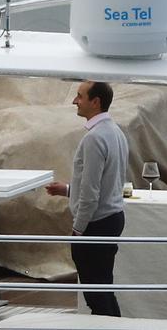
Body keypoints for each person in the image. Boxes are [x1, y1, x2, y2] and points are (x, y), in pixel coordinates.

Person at [45, 80, 128, 317]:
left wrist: (78, 230)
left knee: (95, 294)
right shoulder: (116, 132)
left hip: (95, 224)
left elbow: (91, 195)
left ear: (96, 102)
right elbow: (107, 184)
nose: (74, 101)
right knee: (103, 288)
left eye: (79, 96)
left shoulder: (94, 138)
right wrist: (69, 190)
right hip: (112, 218)